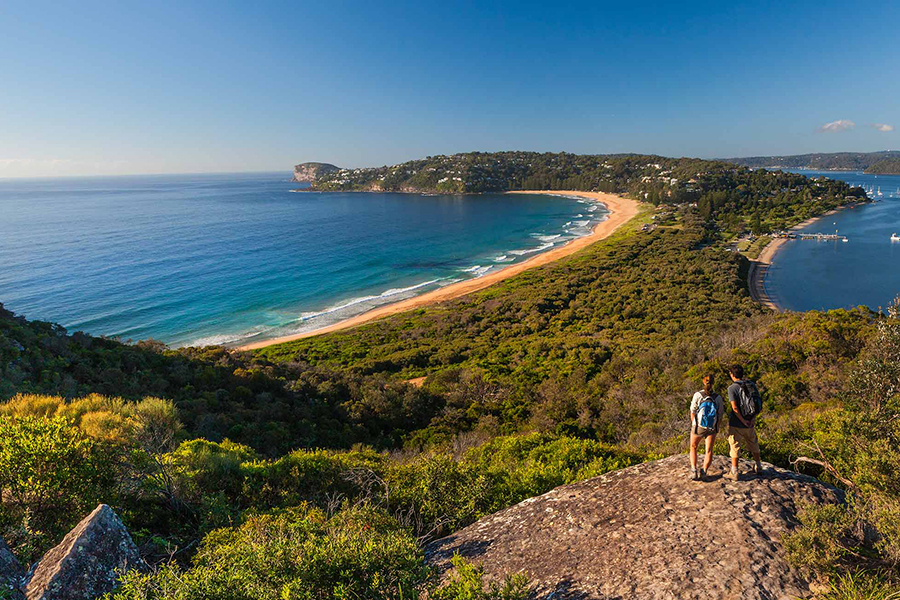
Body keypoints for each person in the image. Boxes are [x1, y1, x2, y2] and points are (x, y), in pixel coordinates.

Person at [725, 364, 763, 481]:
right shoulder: (751, 385)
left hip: (737, 423)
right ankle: (758, 465)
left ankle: (735, 471)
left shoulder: (732, 388)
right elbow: (757, 403)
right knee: (753, 442)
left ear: (732, 375)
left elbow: (735, 408)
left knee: (735, 445)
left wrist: (743, 420)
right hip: (750, 421)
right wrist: (752, 419)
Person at [689, 374, 724, 481]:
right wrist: (716, 427)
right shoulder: (717, 398)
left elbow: (693, 411)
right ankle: (704, 471)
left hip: (698, 426)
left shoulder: (698, 395)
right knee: (708, 450)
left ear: (704, 382)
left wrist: (694, 424)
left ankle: (694, 470)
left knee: (693, 446)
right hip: (712, 427)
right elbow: (720, 414)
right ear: (713, 383)